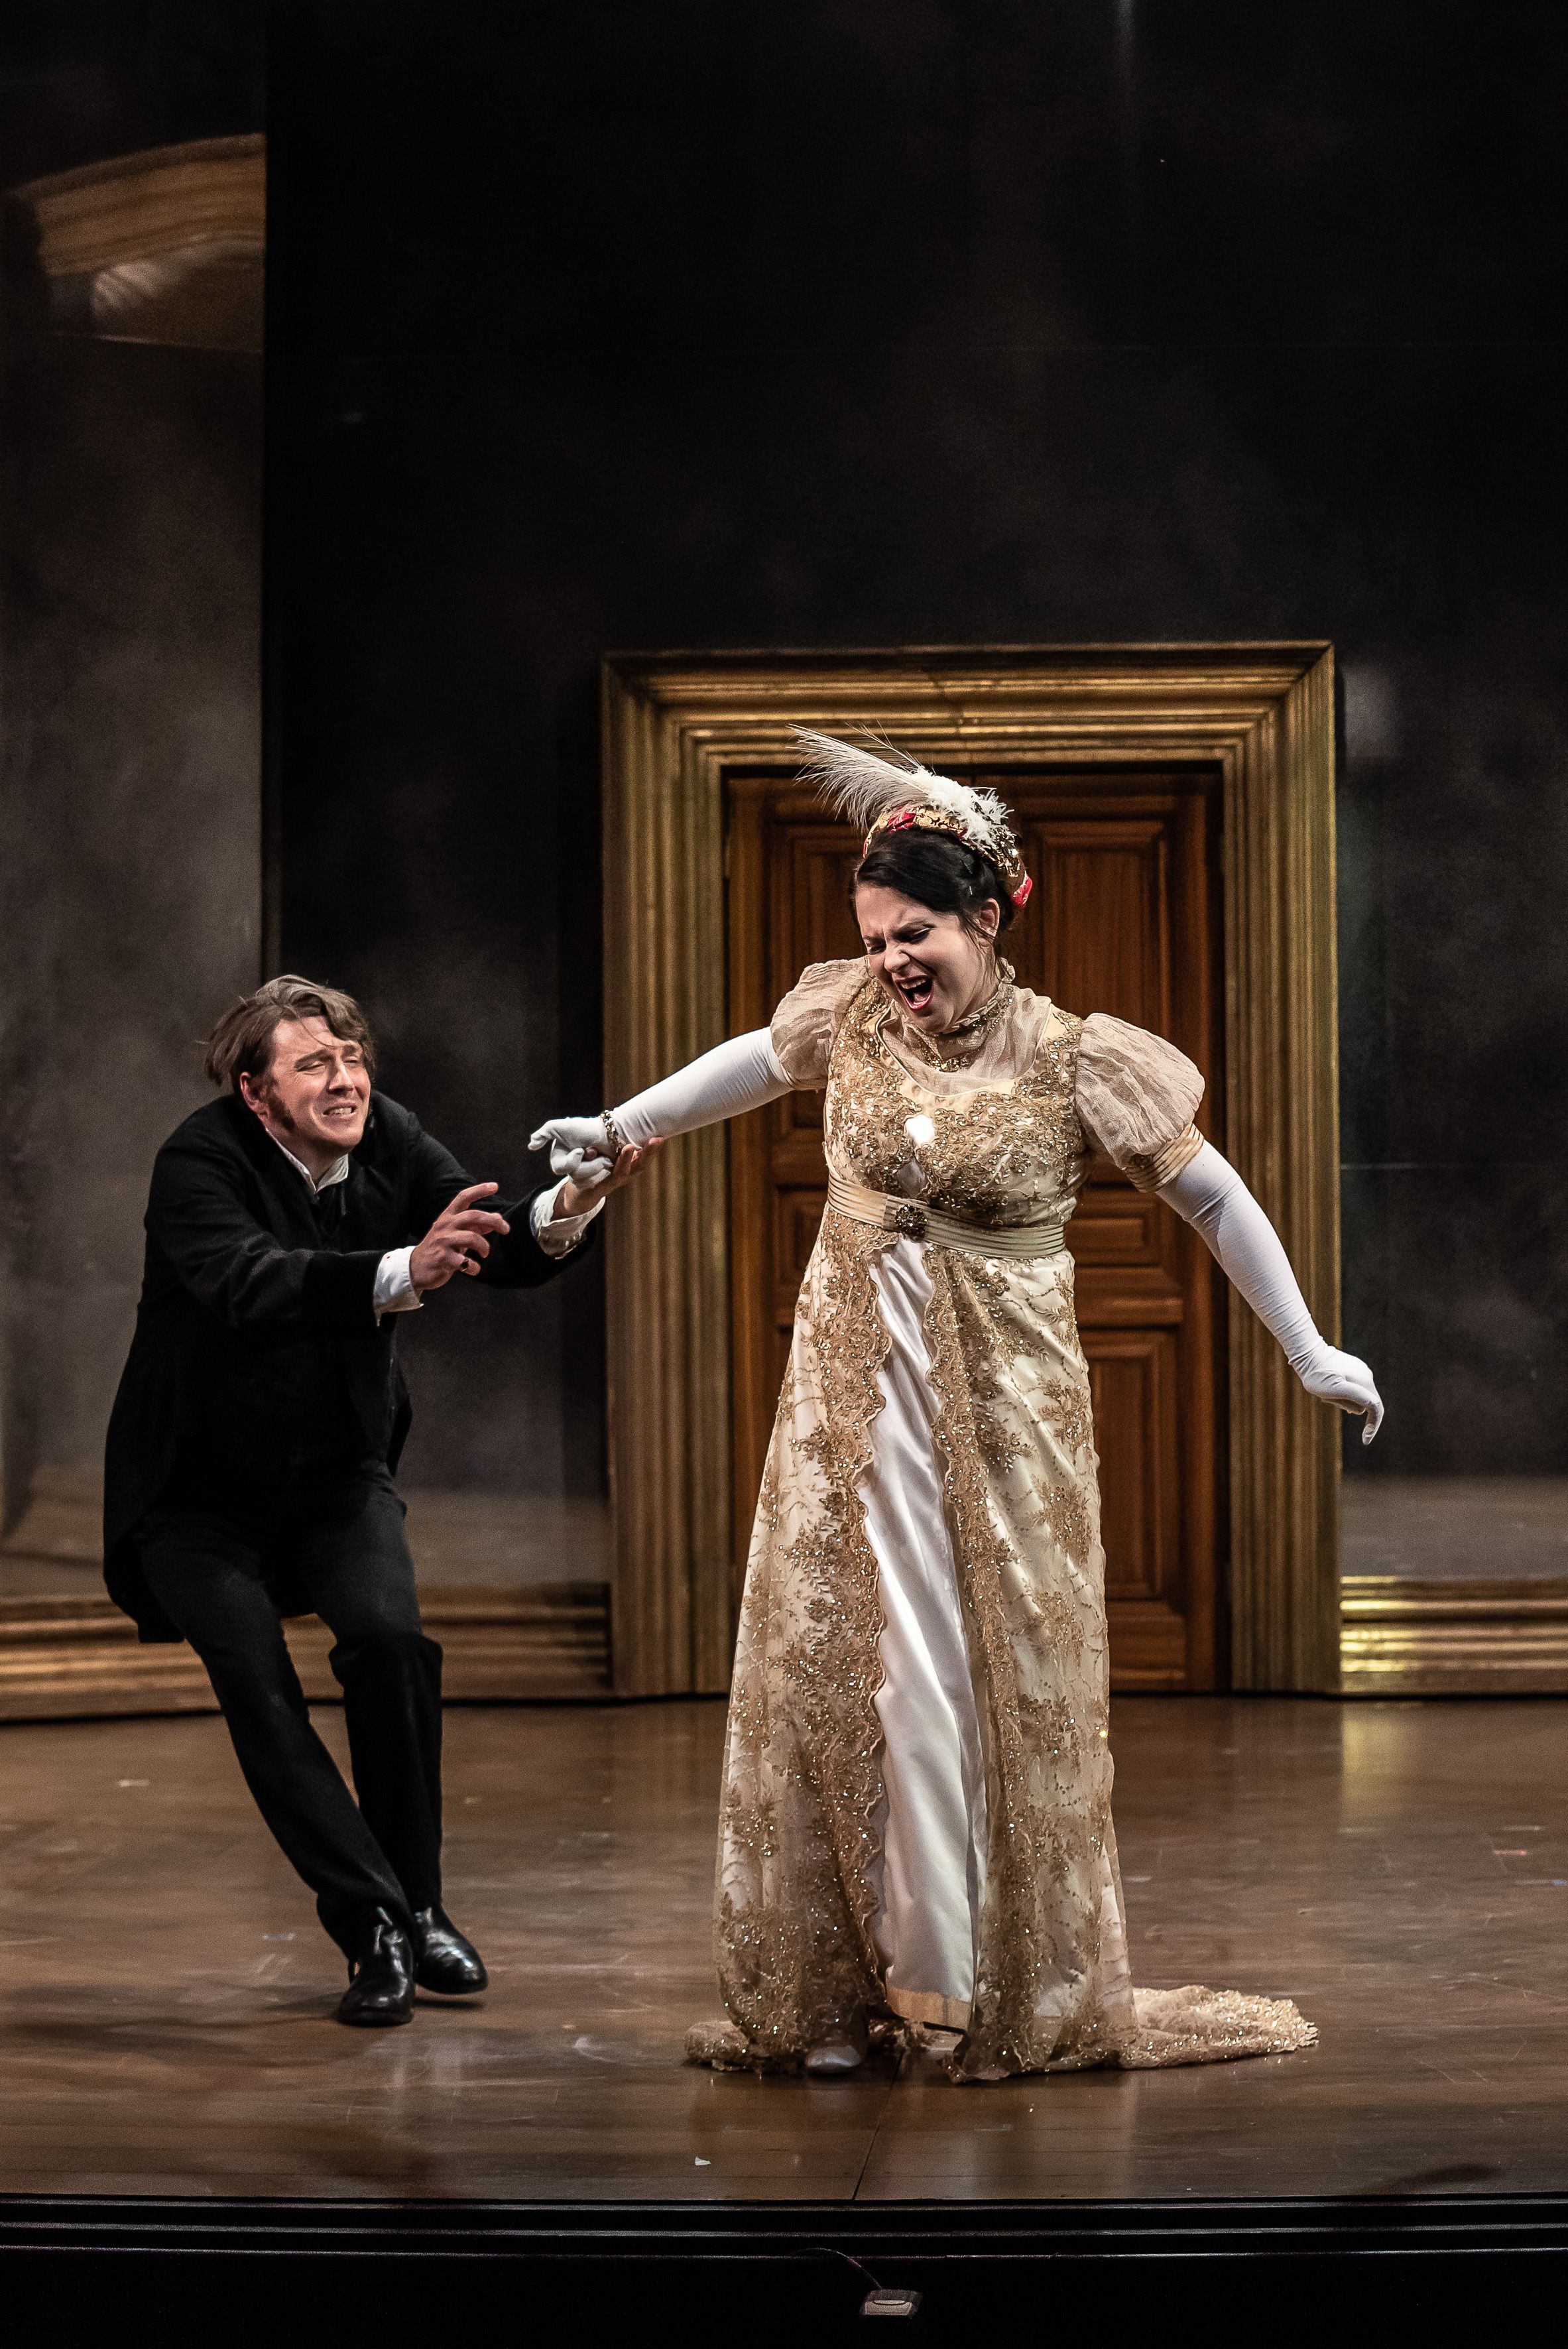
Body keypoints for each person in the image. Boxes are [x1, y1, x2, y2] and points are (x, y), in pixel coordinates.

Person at [532, 731, 1382, 2083]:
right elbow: (747, 1063)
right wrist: (617, 1128)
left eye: (913, 930)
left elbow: (1211, 1193)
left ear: (987, 915)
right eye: (873, 935)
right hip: (850, 1401)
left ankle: (981, 1978)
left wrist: (1306, 1344)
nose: (890, 960)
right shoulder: (850, 1017)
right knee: (854, 1669)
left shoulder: (1074, 1055)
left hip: (1004, 1413)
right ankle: (857, 1977)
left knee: (977, 1684)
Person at [105, 975, 655, 2027]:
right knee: (260, 1687)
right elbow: (249, 1282)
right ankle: (371, 1927)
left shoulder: (386, 1134)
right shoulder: (200, 1159)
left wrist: (576, 1200)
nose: (345, 1079)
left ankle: (424, 1905)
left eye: (351, 1058)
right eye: (314, 1063)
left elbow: (478, 1238)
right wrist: (407, 1265)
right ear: (256, 1091)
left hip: (331, 1476)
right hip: (194, 1497)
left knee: (394, 1648)